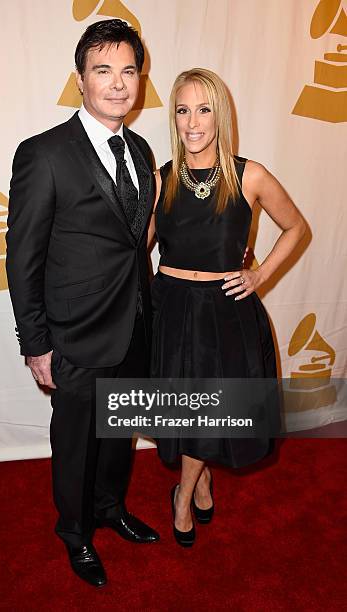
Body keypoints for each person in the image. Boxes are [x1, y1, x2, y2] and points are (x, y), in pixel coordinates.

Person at [6, 19, 159, 587]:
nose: (118, 84)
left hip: (134, 325)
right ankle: (74, 533)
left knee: (119, 436)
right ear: (80, 79)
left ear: (139, 79)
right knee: (75, 442)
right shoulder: (43, 154)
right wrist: (36, 343)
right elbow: (22, 258)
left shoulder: (141, 149)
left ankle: (109, 508)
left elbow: (134, 239)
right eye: (103, 71)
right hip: (73, 333)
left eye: (128, 71)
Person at [147, 68, 306, 547]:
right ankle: (199, 481)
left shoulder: (249, 175)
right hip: (172, 311)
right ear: (173, 118)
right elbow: (137, 248)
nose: (193, 122)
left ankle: (182, 496)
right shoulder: (162, 180)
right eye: (182, 110)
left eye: (203, 109)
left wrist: (259, 275)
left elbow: (296, 226)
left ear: (220, 115)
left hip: (225, 311)